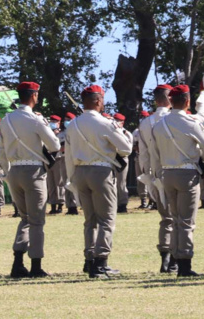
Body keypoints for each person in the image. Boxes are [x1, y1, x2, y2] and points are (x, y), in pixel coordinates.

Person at [64, 85, 132, 278]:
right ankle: (100, 262)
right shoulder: (105, 123)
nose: (102, 102)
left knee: (90, 220)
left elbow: (68, 155)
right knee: (106, 219)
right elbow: (126, 148)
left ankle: (89, 259)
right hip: (100, 172)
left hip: (79, 172)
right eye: (101, 99)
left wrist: (71, 179)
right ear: (97, 100)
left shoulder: (73, 124)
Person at [150, 84, 204, 277]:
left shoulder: (159, 124)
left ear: (171, 101)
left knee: (175, 220)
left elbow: (154, 155)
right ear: (187, 102)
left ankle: (174, 261)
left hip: (167, 174)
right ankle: (184, 264)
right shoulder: (191, 123)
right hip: (187, 174)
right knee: (186, 222)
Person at [0, 81, 62, 278]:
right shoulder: (35, 120)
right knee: (36, 221)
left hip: (13, 170)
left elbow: (1, 150)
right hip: (33, 171)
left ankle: (18, 262)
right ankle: (35, 265)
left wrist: (5, 172)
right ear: (34, 96)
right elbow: (54, 145)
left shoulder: (5, 120)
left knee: (25, 218)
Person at [138, 84, 177, 273]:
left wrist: (148, 175)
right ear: (171, 98)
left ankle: (165, 258)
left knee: (166, 219)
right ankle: (176, 258)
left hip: (156, 174)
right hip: (177, 171)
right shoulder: (176, 119)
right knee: (181, 218)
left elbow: (143, 154)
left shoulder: (146, 123)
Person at [113, 113, 133, 213]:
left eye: (118, 120)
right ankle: (114, 203)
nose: (115, 122)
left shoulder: (127, 133)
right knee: (113, 182)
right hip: (112, 158)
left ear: (122, 122)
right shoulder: (111, 132)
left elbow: (129, 149)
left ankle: (122, 204)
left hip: (122, 158)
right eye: (114, 119)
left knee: (121, 182)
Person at [61, 113, 79, 215]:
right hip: (63, 158)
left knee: (74, 181)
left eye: (69, 119)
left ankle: (77, 204)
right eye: (65, 119)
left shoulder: (77, 132)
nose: (66, 121)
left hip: (75, 159)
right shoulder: (63, 133)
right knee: (66, 182)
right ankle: (70, 206)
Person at [46, 115, 65, 215]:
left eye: (54, 121)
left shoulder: (62, 134)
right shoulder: (47, 133)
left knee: (59, 182)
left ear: (59, 122)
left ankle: (60, 204)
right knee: (51, 183)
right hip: (48, 160)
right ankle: (53, 204)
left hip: (58, 159)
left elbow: (62, 147)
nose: (52, 122)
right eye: (51, 120)